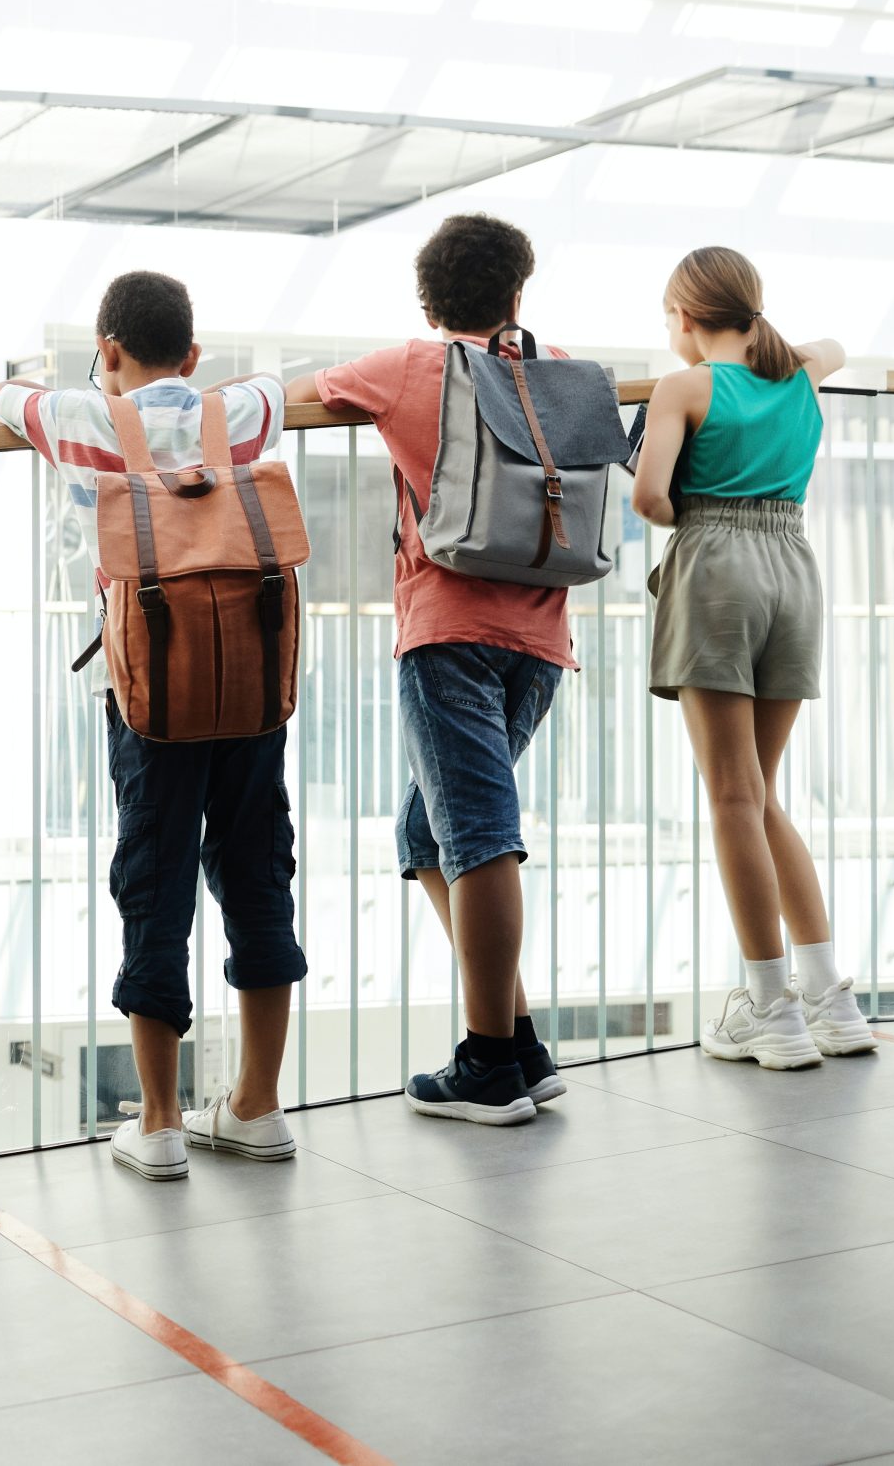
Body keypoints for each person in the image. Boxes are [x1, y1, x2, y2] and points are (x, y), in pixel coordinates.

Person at [0, 270, 305, 1181]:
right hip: (249, 684)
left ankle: (159, 1120)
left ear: (108, 351)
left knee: (153, 883)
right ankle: (258, 1105)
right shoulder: (238, 410)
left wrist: (76, 384)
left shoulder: (85, 421)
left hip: (151, 693)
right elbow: (291, 390)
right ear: (194, 355)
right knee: (258, 870)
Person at [287, 214, 570, 1127]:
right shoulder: (555, 365)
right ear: (517, 294)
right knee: (424, 832)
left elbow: (296, 394)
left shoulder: (409, 367)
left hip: (449, 632)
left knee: (479, 833)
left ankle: (489, 1064)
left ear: (425, 300)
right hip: (543, 637)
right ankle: (520, 1038)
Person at [632, 247, 873, 1067]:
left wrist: (694, 511)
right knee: (763, 791)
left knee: (732, 795)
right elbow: (831, 347)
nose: (670, 333)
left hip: (719, 567)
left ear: (689, 317)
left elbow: (649, 496)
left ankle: (770, 1008)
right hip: (793, 566)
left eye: (670, 317)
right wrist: (786, 351)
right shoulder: (799, 377)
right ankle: (830, 995)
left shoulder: (685, 387)